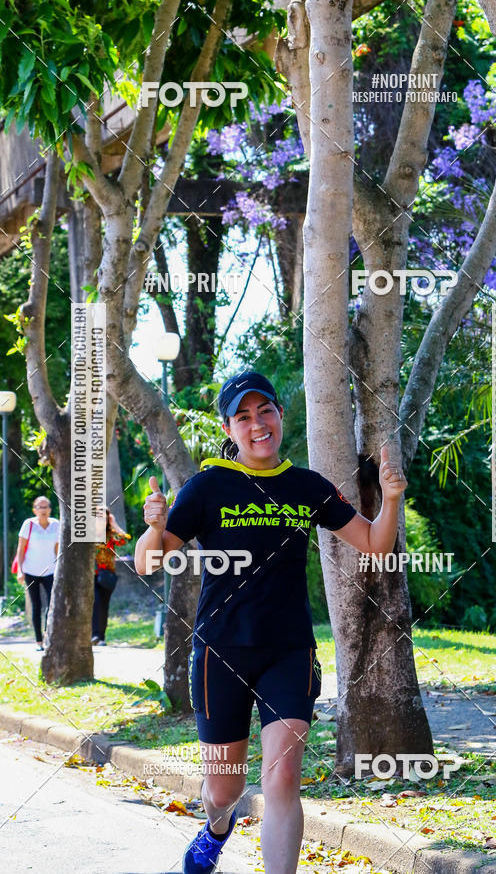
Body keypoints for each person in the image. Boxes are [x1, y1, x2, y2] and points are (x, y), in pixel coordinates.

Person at [134, 370, 407, 874]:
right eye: (243, 417)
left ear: (280, 415)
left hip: (288, 650)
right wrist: (154, 528)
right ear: (229, 428)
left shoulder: (306, 486)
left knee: (282, 777)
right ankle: (216, 827)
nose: (257, 424)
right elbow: (147, 562)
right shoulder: (207, 487)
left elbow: (374, 543)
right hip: (220, 651)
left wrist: (390, 500)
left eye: (265, 412)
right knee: (224, 789)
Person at [16, 496, 59, 650]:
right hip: (31, 570)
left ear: (50, 509)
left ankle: (48, 637)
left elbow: (57, 549)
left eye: (46, 507)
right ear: (34, 510)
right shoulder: (29, 524)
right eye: (40, 507)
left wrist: (59, 568)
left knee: (51, 604)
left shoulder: (56, 524)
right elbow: (21, 550)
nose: (43, 510)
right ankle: (38, 641)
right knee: (36, 605)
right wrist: (20, 571)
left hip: (50, 571)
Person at [92, 507, 131, 646]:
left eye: (103, 516)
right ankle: (94, 635)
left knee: (103, 606)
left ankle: (100, 637)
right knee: (95, 603)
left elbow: (125, 539)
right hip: (91, 575)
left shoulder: (110, 534)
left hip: (107, 575)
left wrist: (114, 523)